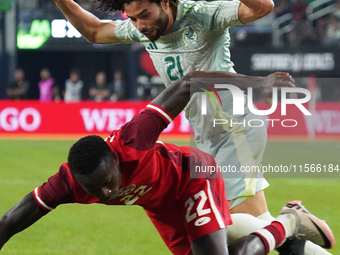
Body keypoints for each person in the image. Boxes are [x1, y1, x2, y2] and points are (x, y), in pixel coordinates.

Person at [51, 0, 331, 254]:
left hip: (235, 127)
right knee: (257, 224)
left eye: (145, 15)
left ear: (165, 3)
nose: (140, 25)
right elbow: (94, 31)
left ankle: (291, 221)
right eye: (134, 18)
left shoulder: (204, 14)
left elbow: (262, 8)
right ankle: (294, 220)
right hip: (206, 137)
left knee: (225, 227)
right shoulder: (145, 27)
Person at [0, 71, 335, 255]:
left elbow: (187, 83)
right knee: (242, 235)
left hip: (193, 179)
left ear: (116, 160)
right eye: (94, 190)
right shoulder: (69, 183)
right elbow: (11, 220)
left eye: (108, 183)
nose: (105, 193)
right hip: (163, 207)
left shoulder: (134, 139)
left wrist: (257, 83)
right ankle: (286, 228)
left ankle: (288, 221)